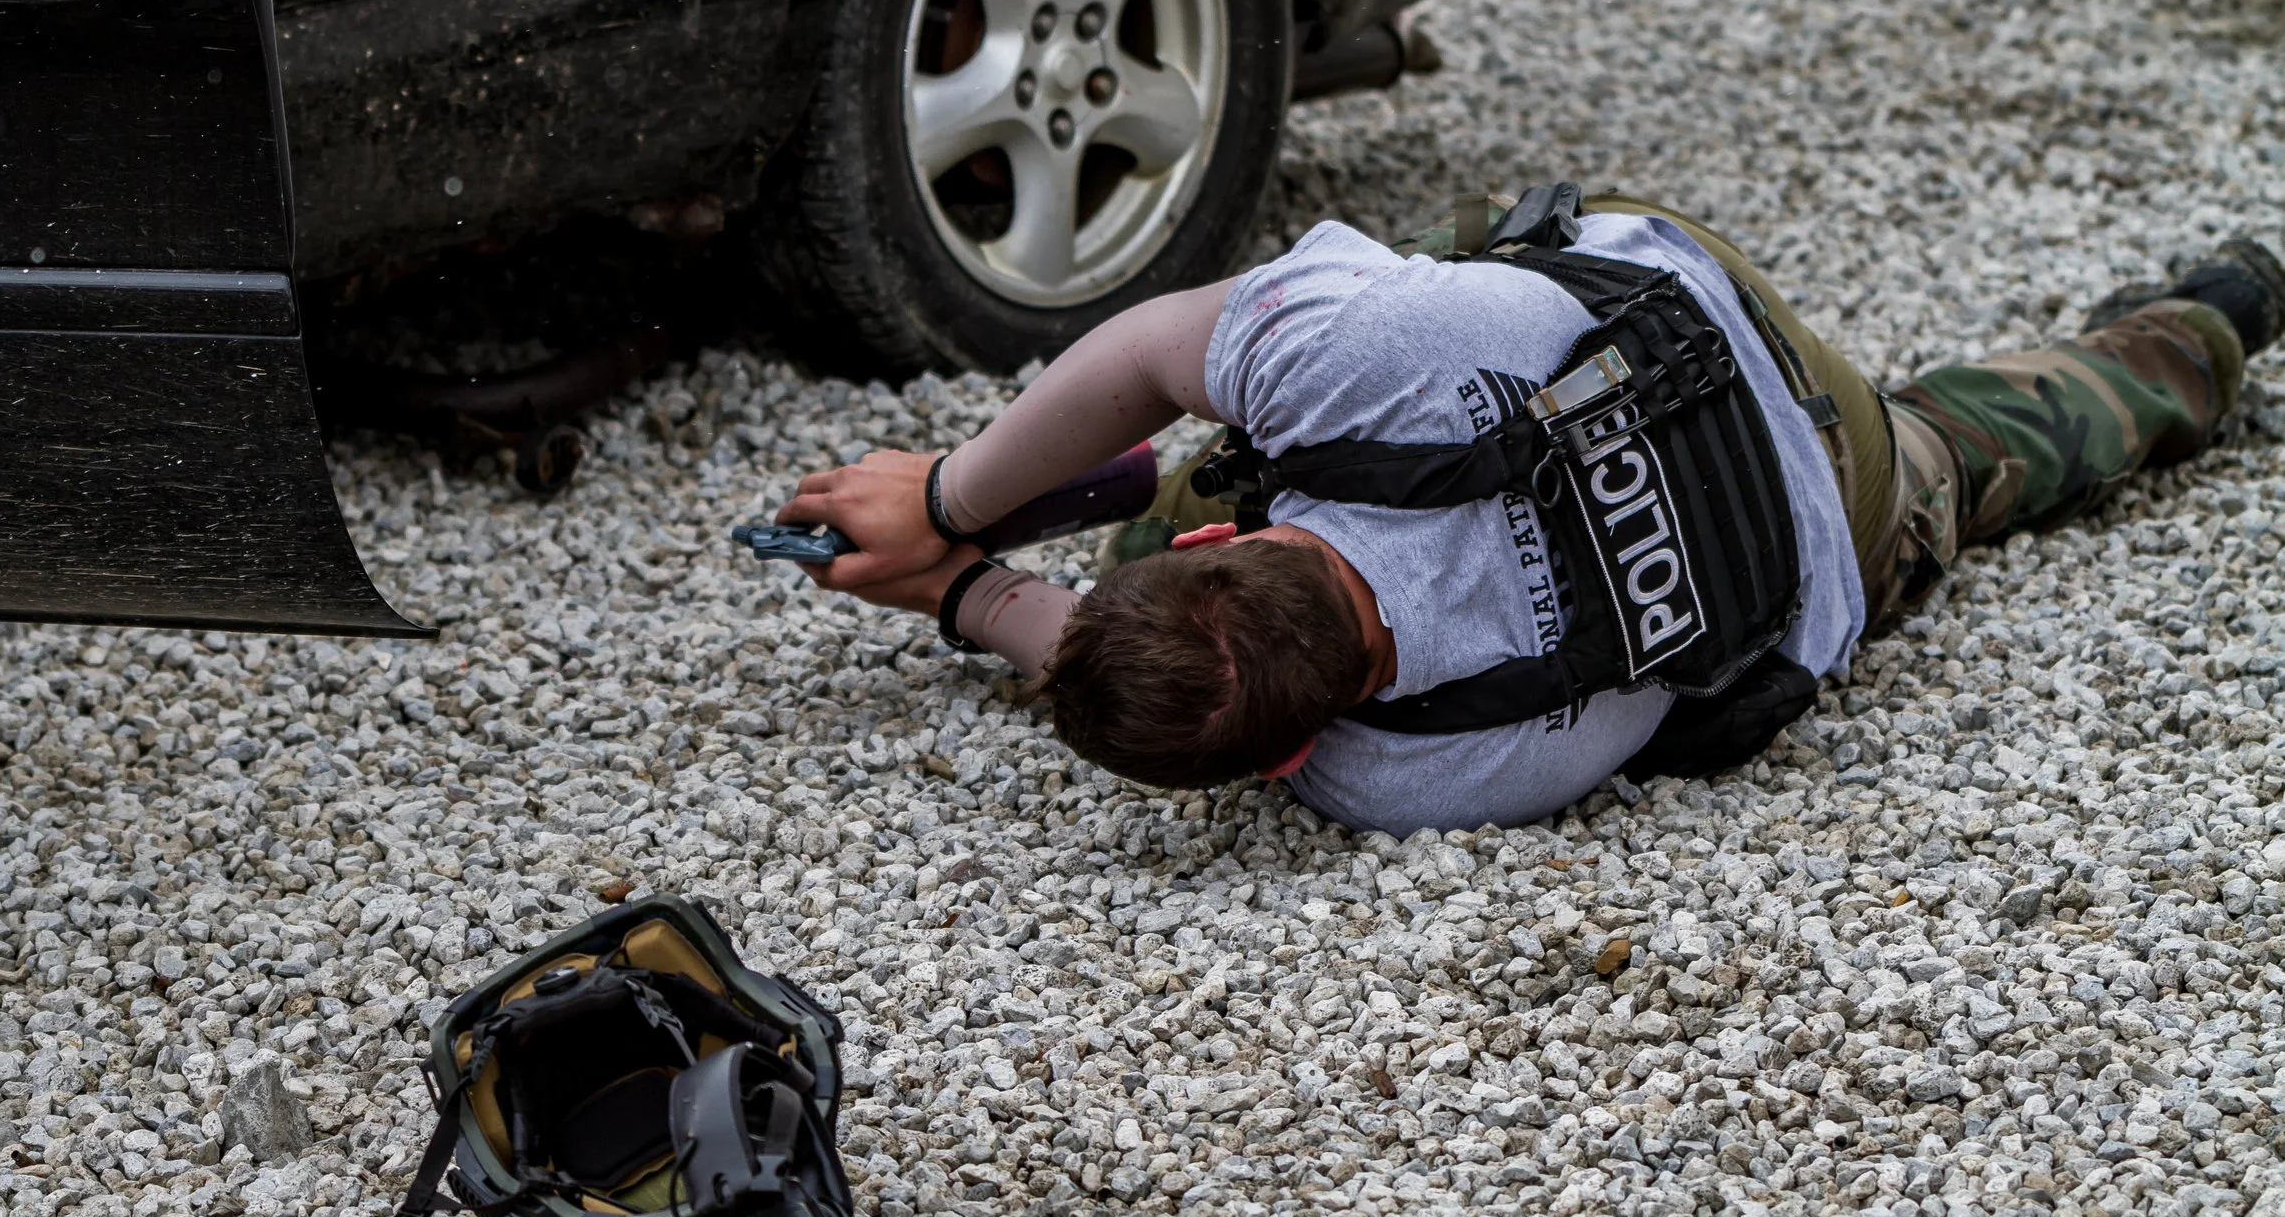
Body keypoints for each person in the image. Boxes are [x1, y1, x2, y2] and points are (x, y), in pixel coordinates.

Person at [771, 187, 2282, 835]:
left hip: (1844, 506)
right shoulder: (1370, 355)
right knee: (1326, 313)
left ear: (1298, 757)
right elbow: (1152, 349)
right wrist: (954, 494)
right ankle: (1162, 480)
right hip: (1688, 305)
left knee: (2003, 441)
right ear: (1237, 546)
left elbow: (1644, 706)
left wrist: (971, 590)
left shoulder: (1403, 774)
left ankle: (2210, 327)